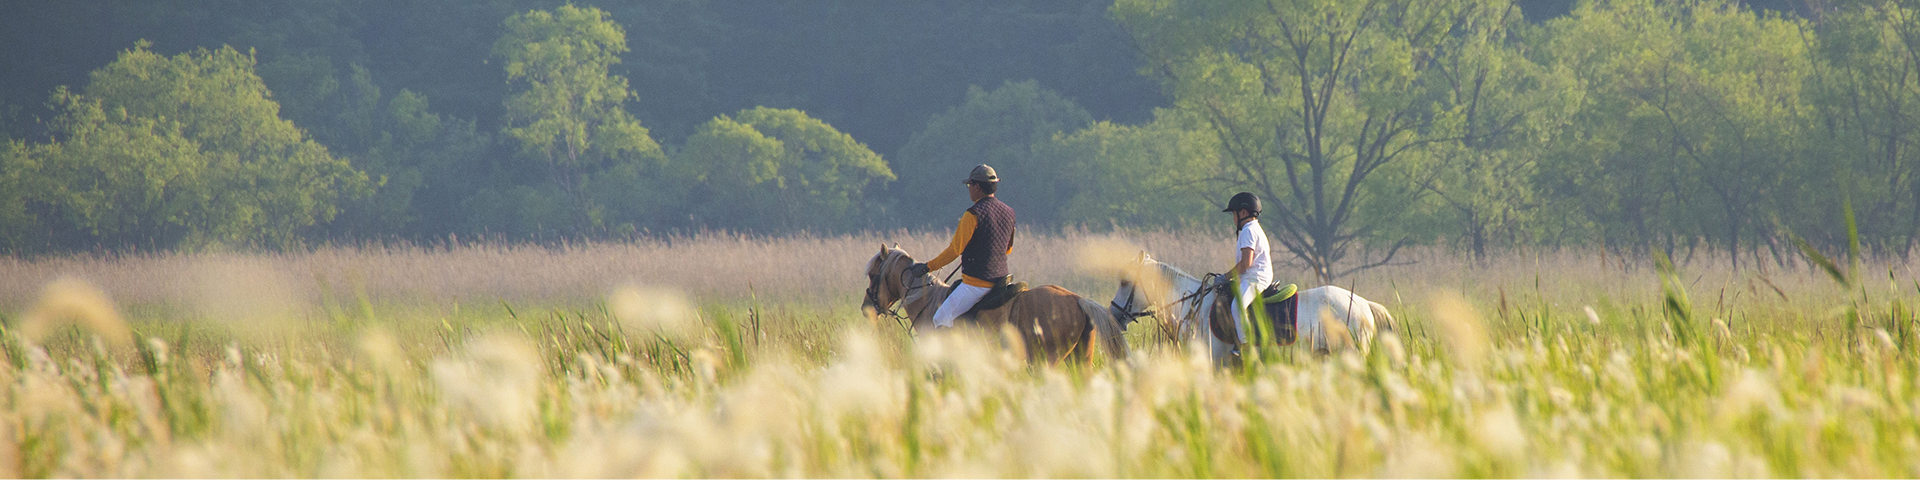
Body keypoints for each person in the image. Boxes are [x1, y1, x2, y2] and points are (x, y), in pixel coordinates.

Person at [911, 164, 1016, 328]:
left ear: (977, 187)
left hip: (977, 285)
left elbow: (954, 250)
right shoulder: (1009, 212)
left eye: (970, 185)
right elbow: (1007, 249)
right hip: (1001, 281)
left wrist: (927, 267)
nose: (969, 189)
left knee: (941, 318)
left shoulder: (972, 214)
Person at [1220, 191, 1273, 347]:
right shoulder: (1253, 229)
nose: (1234, 219)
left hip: (1254, 278)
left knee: (1237, 307)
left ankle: (1246, 346)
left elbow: (1245, 264)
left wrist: (1225, 277)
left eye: (1234, 214)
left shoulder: (1248, 231)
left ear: (1243, 212)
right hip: (1251, 277)